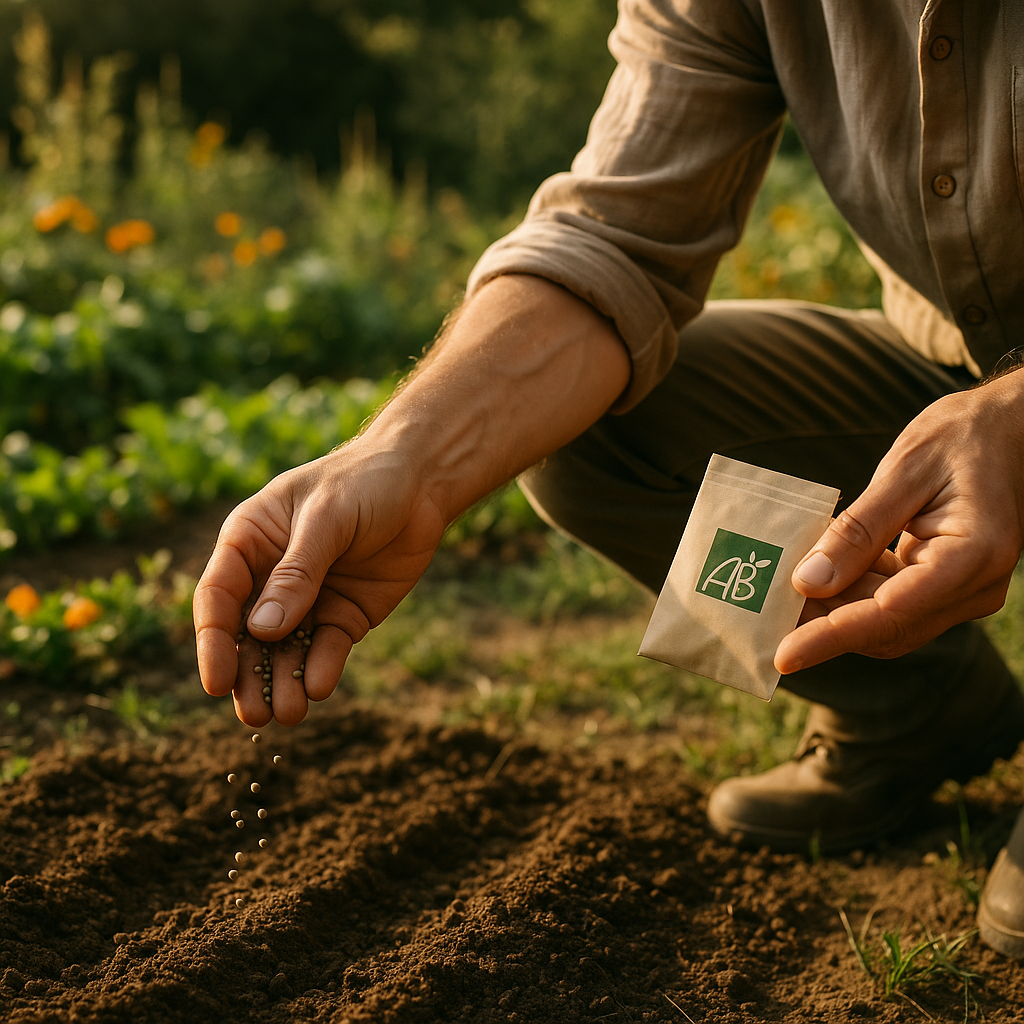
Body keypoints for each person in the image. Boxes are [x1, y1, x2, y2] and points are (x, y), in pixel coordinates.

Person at [193, 0, 1024, 958]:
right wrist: (400, 461)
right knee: (599, 424)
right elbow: (615, 239)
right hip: (952, 365)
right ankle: (924, 706)